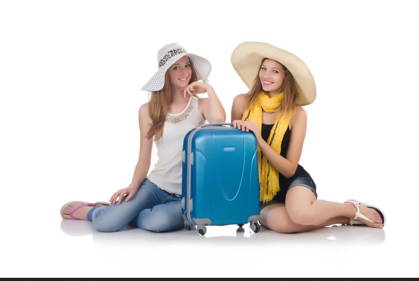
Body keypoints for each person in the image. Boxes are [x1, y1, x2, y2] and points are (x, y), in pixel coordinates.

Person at [60, 43, 226, 232]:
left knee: (156, 223)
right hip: (155, 186)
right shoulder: (147, 111)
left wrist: (209, 89)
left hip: (188, 193)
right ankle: (96, 211)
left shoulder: (201, 105)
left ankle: (128, 213)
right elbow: (144, 159)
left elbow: (220, 119)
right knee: (105, 224)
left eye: (187, 65)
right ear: (166, 74)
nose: (184, 72)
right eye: (176, 67)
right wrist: (133, 185)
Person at [230, 41, 384, 233]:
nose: (266, 76)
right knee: (286, 225)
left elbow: (289, 169)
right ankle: (346, 218)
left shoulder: (297, 114)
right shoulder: (241, 102)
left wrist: (259, 139)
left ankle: (351, 208)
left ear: (287, 77)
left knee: (301, 214)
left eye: (275, 71)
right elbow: (235, 156)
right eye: (264, 68)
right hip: (259, 190)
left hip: (291, 181)